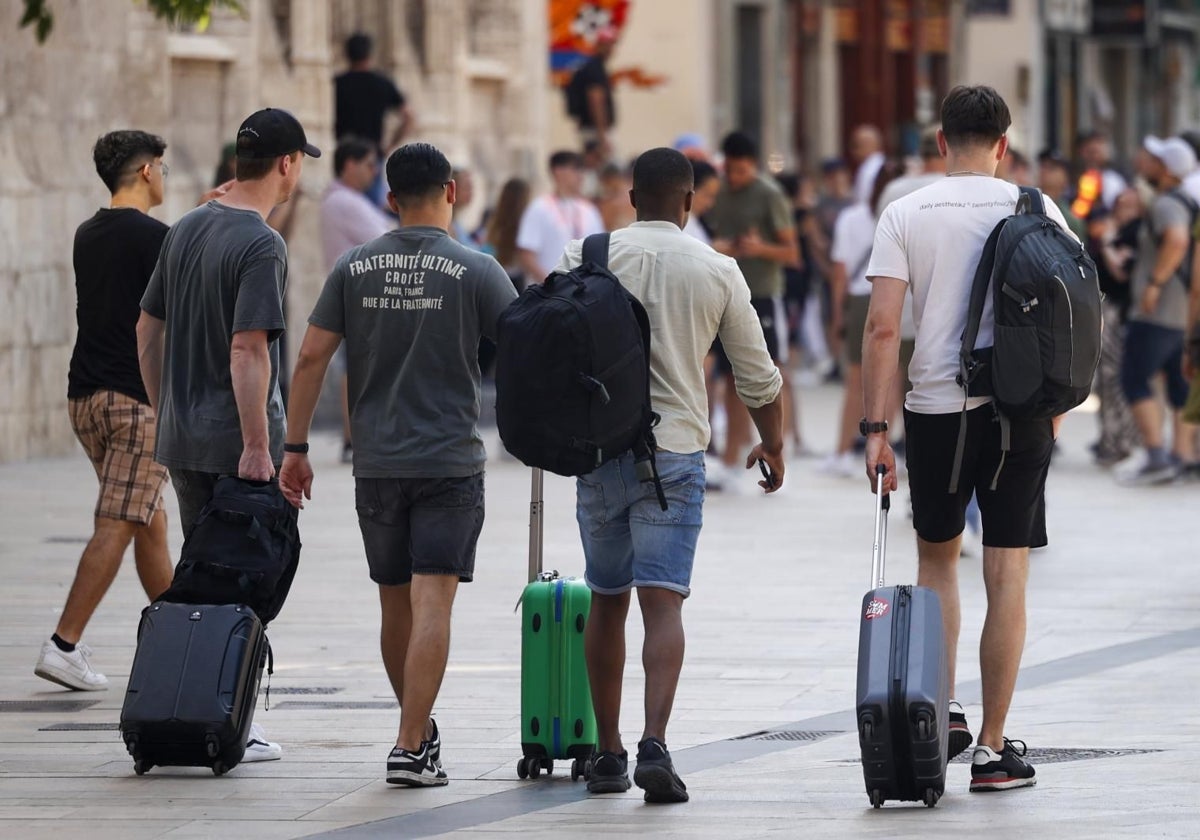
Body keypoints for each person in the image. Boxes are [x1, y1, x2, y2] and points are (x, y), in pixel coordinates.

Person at [278, 143, 517, 786]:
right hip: (449, 461)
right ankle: (411, 742)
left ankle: (417, 733)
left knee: (395, 605)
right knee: (433, 601)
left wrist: (295, 448)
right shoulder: (476, 269)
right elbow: (524, 348)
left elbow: (309, 360)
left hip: (377, 463)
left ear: (389, 200)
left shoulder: (354, 267)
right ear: (451, 190)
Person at [862, 85, 1077, 792]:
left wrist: (874, 429)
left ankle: (942, 711)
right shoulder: (1035, 206)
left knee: (937, 562)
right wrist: (1059, 399)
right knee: (1007, 568)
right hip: (1018, 411)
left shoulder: (906, 212)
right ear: (1003, 144)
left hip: (935, 408)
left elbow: (884, 328)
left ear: (940, 141)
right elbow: (1073, 307)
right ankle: (991, 749)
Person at [556, 147, 784, 803]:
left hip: (598, 452)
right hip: (675, 455)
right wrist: (771, 446)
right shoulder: (716, 268)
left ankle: (607, 753)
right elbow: (758, 377)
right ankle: (655, 740)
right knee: (663, 603)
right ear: (688, 203)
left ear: (631, 197)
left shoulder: (585, 256)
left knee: (606, 598)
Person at [137, 109, 319, 763]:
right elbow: (249, 350)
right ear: (287, 164)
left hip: (185, 435)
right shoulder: (261, 244)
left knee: (203, 578)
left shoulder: (185, 227)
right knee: (241, 584)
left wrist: (169, 409)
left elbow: (146, 332)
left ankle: (197, 707)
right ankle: (224, 710)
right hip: (233, 444)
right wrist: (256, 444)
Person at [35, 131, 175, 693]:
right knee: (118, 521)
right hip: (134, 403)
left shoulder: (86, 233)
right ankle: (64, 644)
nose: (164, 176)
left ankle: (178, 639)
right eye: (162, 167)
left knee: (148, 520)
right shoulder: (157, 239)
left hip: (85, 399)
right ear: (145, 172)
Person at [707, 131, 799, 489]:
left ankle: (779, 448)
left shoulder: (770, 195)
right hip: (724, 292)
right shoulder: (720, 192)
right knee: (730, 379)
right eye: (730, 170)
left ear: (754, 166)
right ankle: (731, 458)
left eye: (742, 171)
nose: (735, 178)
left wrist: (758, 248)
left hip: (761, 293)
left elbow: (791, 254)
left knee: (769, 374)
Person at [1118, 135, 1199, 485]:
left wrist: (1154, 282)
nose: (1146, 165)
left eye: (1154, 161)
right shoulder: (1190, 202)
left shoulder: (1168, 204)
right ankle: (1182, 455)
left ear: (1165, 170)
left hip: (1158, 310)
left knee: (1133, 377)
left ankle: (1156, 454)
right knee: (1180, 384)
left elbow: (1177, 240)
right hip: (1182, 312)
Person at [321, 137, 395, 463]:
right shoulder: (343, 202)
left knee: (359, 367)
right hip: (361, 296)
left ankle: (357, 438)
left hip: (359, 295)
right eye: (368, 164)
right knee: (360, 368)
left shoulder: (350, 200)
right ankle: (357, 438)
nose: (374, 171)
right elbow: (387, 237)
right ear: (349, 165)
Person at [335, 32, 414, 208]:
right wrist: (389, 146)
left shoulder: (338, 83)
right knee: (369, 212)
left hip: (344, 157)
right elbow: (408, 116)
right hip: (371, 157)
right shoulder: (382, 83)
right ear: (370, 54)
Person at [515, 150, 605, 282]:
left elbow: (600, 253)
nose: (581, 176)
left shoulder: (589, 210)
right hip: (547, 293)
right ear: (558, 171)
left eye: (582, 170)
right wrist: (550, 284)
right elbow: (526, 254)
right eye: (576, 169)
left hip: (583, 294)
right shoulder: (539, 208)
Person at [566, 26, 618, 157]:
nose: (611, 49)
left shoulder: (591, 66)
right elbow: (596, 100)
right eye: (608, 45)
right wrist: (602, 136)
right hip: (595, 131)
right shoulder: (594, 68)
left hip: (590, 129)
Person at [482, 176, 533, 289]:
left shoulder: (494, 222)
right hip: (519, 279)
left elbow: (487, 248)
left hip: (496, 277)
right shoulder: (526, 222)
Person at [1074, 129, 1128, 214]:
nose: (1094, 157)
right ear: (1081, 151)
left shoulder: (1114, 180)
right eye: (1090, 152)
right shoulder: (1071, 177)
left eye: (1097, 152)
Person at [1036, 150, 1086, 239]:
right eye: (1043, 166)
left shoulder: (1071, 220)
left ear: (1065, 178)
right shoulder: (1028, 206)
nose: (1044, 171)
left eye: (1051, 168)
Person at [449, 164, 482, 249]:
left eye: (471, 187)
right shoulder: (447, 225)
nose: (471, 192)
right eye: (467, 187)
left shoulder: (457, 222)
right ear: (453, 189)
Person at [851, 125, 885, 205]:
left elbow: (863, 202)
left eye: (856, 146)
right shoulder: (882, 164)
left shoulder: (869, 170)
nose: (853, 151)